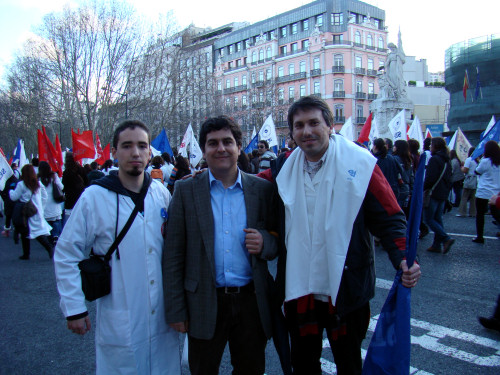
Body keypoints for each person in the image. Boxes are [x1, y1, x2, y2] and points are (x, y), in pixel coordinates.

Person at [258, 96, 420, 375]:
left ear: (329, 125)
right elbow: (245, 186)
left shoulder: (363, 163)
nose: (306, 131)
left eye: (313, 123)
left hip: (347, 287)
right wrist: (202, 180)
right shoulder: (282, 168)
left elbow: (389, 215)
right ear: (292, 133)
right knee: (304, 365)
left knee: (348, 363)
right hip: (299, 289)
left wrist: (403, 257)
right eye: (299, 125)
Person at [54, 120, 181, 374]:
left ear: (149, 152)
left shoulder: (160, 193)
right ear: (114, 152)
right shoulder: (94, 197)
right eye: (127, 146)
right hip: (121, 313)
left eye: (142, 146)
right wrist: (74, 308)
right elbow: (67, 253)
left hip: (162, 318)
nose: (135, 153)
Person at [163, 116, 278, 375]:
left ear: (239, 147)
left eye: (228, 142)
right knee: (203, 370)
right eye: (212, 143)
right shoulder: (185, 190)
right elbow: (173, 255)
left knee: (251, 370)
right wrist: (176, 309)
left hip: (251, 301)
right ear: (203, 150)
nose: (221, 148)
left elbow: (277, 240)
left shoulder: (262, 189)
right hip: (204, 299)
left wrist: (265, 242)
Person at [10, 164, 54, 260]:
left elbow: (14, 197)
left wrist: (10, 191)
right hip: (35, 211)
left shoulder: (21, 184)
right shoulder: (37, 183)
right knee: (37, 232)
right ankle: (49, 248)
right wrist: (41, 206)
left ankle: (27, 253)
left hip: (25, 211)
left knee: (25, 231)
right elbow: (45, 196)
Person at [424, 137, 454, 254]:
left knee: (429, 219)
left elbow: (430, 178)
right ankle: (437, 244)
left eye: (431, 145)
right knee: (437, 218)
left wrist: (424, 188)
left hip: (433, 192)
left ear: (435, 146)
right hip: (443, 193)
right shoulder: (447, 160)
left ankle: (446, 238)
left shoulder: (434, 159)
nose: (430, 147)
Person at [472, 140, 500, 243]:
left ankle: (480, 236)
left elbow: (477, 171)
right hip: (496, 192)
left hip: (483, 191)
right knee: (496, 214)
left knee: (480, 214)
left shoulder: (485, 161)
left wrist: (479, 160)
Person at [38, 161, 64, 245]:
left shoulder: (38, 178)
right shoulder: (53, 176)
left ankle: (48, 236)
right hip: (54, 201)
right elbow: (61, 187)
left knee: (47, 220)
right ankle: (55, 235)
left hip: (44, 203)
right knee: (56, 220)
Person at [62, 152, 88, 220]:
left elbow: (64, 186)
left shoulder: (66, 172)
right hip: (81, 198)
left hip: (70, 201)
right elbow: (87, 183)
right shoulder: (81, 169)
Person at [393, 139, 414, 218]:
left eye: (395, 146)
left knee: (396, 212)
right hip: (406, 188)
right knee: (403, 212)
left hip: (398, 187)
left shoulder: (394, 159)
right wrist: (411, 191)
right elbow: (412, 176)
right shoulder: (409, 159)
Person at [457, 147, 478, 217]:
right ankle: (473, 212)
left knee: (464, 196)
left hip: (469, 179)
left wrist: (462, 167)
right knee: (473, 197)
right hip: (475, 179)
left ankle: (462, 212)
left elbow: (465, 170)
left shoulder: (469, 159)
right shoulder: (477, 160)